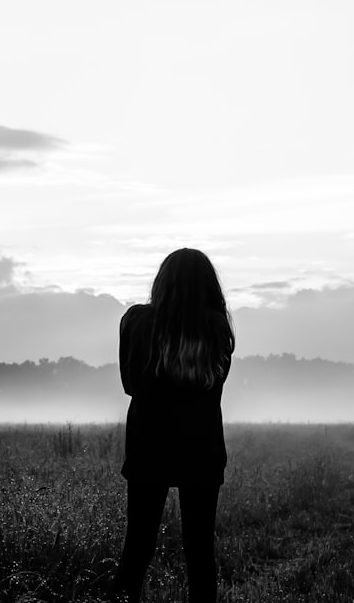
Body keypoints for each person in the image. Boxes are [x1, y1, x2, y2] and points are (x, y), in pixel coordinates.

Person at [110, 248, 235, 603]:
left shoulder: (136, 322)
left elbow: (129, 385)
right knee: (199, 551)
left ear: (161, 282)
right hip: (202, 449)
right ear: (209, 285)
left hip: (149, 447)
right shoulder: (217, 327)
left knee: (137, 546)